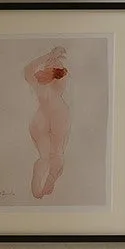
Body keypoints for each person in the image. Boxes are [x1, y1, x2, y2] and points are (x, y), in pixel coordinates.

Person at [23, 45, 70, 199]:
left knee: (53, 155)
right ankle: (42, 185)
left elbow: (54, 73)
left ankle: (48, 181)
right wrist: (50, 56)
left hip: (52, 117)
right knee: (49, 156)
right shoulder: (42, 79)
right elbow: (29, 70)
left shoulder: (51, 77)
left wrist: (50, 57)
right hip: (48, 117)